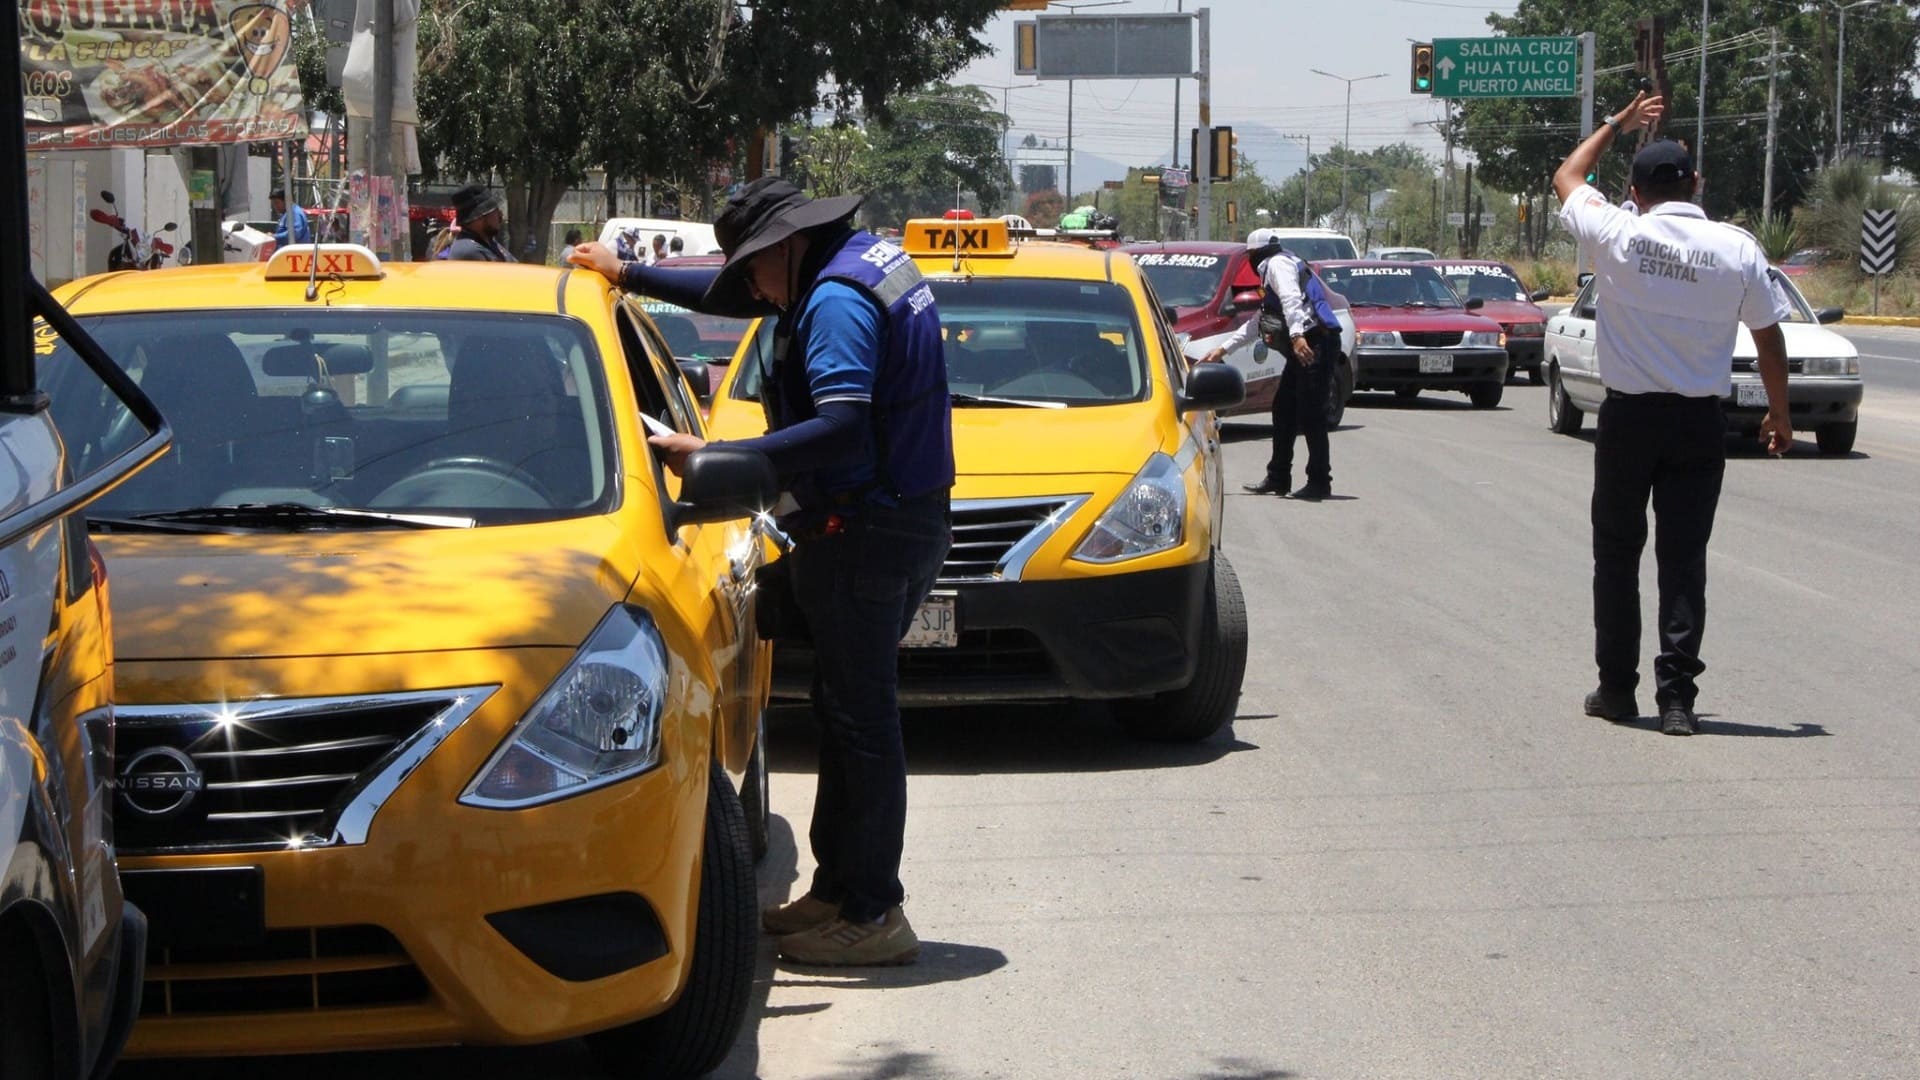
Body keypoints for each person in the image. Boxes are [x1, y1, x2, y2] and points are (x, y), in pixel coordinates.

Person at [569, 177, 953, 966]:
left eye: (752, 267)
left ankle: (874, 912)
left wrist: (720, 455)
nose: (751, 288)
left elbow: (842, 428)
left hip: (869, 533)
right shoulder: (852, 262)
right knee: (844, 713)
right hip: (898, 519)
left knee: (862, 722)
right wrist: (627, 272)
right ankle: (840, 893)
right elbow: (737, 296)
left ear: (785, 246)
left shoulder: (835, 302)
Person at [1553, 93, 1792, 737]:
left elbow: (1568, 174)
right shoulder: (1736, 248)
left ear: (1635, 192)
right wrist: (1778, 413)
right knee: (1683, 560)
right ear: (1697, 184)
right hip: (1698, 425)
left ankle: (1616, 690)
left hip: (1629, 421)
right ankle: (1678, 700)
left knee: (1617, 556)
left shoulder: (1617, 233)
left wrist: (1615, 122)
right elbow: (1769, 339)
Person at [1203, 227, 1340, 499]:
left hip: (1314, 342)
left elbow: (1291, 300)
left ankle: (1319, 482)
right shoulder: (1277, 266)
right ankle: (1278, 477)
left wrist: (1297, 336)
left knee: (1311, 413)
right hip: (1307, 341)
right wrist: (1223, 349)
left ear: (1255, 253)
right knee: (1284, 409)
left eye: (1249, 256)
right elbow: (1260, 320)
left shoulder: (1277, 265)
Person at [445, 184, 514, 262]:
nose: (500, 215)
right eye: (495, 211)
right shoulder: (469, 251)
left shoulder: (488, 242)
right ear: (479, 218)